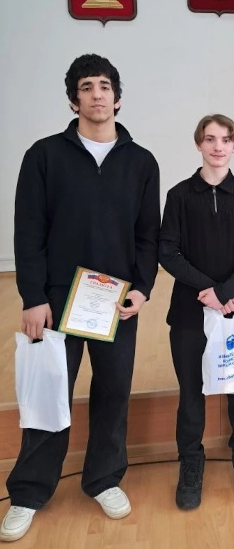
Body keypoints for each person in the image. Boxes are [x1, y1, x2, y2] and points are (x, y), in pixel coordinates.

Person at [0, 54, 160, 542]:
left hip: (115, 303)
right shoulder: (44, 156)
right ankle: (29, 491)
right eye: (86, 87)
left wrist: (142, 288)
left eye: (104, 86)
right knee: (49, 394)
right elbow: (28, 231)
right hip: (55, 301)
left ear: (118, 97)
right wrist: (32, 297)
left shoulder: (141, 162)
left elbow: (147, 236)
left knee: (113, 393)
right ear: (74, 100)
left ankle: (104, 479)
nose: (97, 94)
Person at [159, 114, 234, 510]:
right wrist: (208, 291)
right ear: (198, 144)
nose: (218, 146)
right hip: (191, 310)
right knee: (191, 393)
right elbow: (168, 251)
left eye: (225, 139)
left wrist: (224, 293)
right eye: (210, 139)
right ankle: (191, 463)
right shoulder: (179, 196)